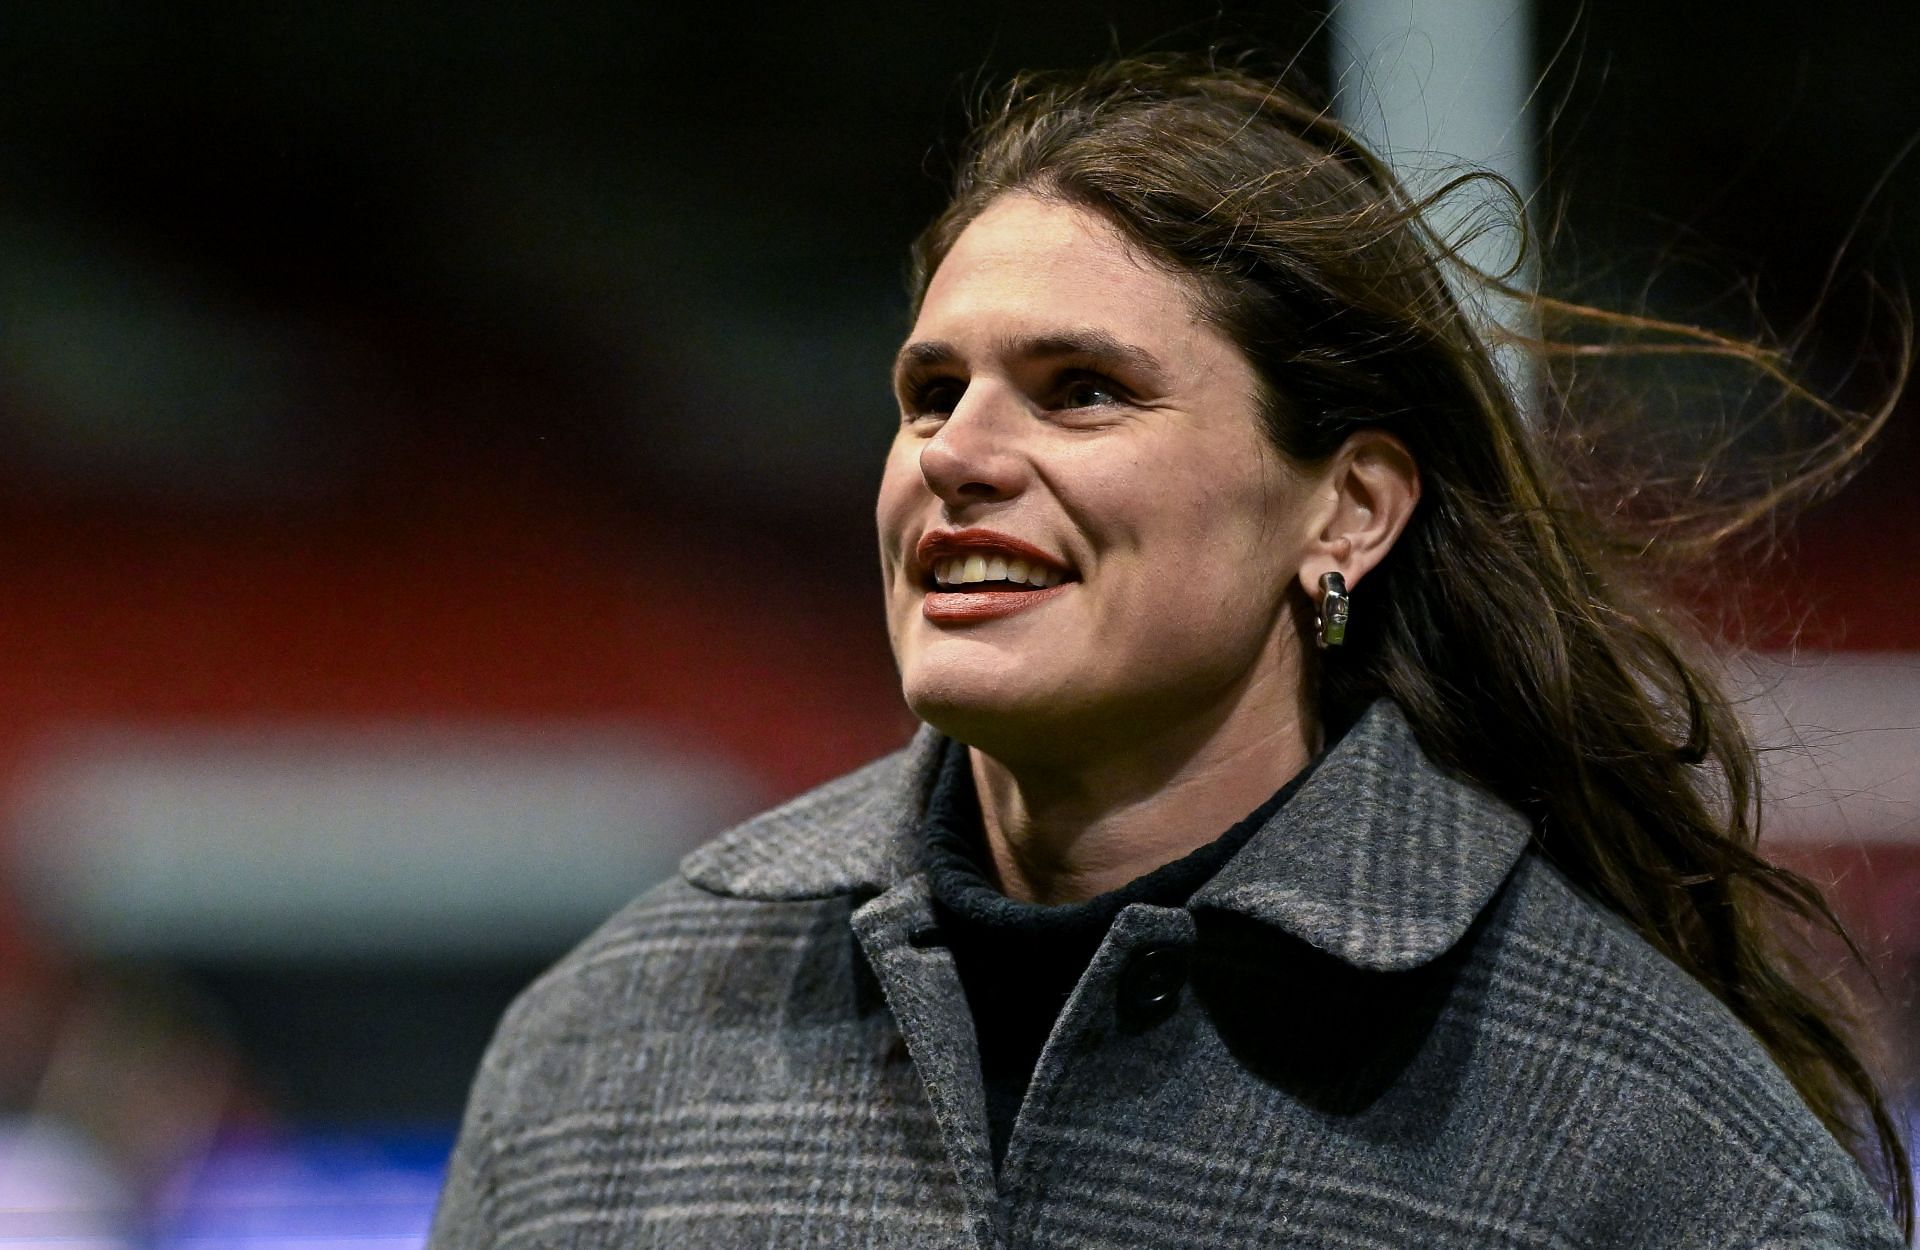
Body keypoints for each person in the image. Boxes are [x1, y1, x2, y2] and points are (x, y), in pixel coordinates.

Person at [426, 55, 1911, 1249]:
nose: (959, 454)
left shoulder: (1654, 1143)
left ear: (1348, 508)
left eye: (1080, 391)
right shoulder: (601, 1048)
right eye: (930, 391)